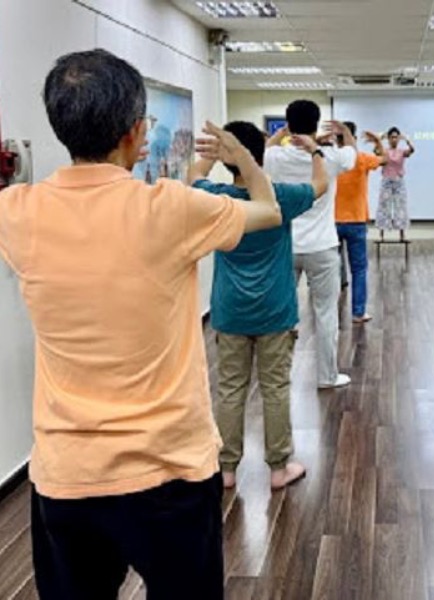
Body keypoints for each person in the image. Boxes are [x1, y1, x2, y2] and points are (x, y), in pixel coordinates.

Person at [1, 49, 282, 599]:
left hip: (66, 474)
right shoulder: (171, 209)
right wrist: (243, 159)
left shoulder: (16, 211)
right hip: (169, 472)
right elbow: (268, 210)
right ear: (135, 132)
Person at [189, 121, 328, 492]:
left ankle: (227, 469)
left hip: (230, 310)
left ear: (225, 160)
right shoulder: (280, 196)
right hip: (275, 309)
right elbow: (321, 185)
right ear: (260, 157)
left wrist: (214, 150)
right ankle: (279, 466)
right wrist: (314, 150)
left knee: (231, 389)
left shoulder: (214, 197)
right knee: (275, 388)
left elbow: (192, 175)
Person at [264, 101, 357, 390]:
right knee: (326, 313)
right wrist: (343, 133)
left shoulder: (275, 156)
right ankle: (327, 376)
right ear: (317, 126)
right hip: (322, 247)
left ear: (289, 125)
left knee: (280, 313)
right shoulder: (330, 157)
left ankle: (277, 376)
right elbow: (352, 153)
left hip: (285, 247)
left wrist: (283, 134)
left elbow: (265, 148)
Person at [335, 123, 383, 324]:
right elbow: (386, 159)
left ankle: (330, 314)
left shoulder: (330, 159)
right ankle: (358, 312)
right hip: (356, 221)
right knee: (359, 269)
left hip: (332, 222)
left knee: (331, 270)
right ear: (353, 136)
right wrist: (379, 142)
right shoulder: (362, 159)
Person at [375, 126, 415, 241]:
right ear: (388, 139)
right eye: (392, 137)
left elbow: (411, 150)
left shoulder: (402, 151)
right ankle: (381, 235)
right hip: (386, 181)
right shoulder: (385, 150)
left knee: (400, 207)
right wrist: (379, 139)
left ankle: (402, 235)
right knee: (383, 206)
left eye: (396, 137)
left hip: (399, 181)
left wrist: (408, 141)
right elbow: (376, 152)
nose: (394, 139)